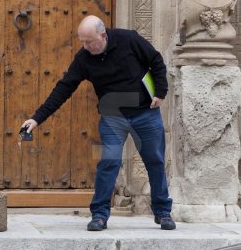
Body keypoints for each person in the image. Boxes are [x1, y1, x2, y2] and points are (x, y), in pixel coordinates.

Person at [21, 15, 175, 231]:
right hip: (113, 117)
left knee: (155, 161)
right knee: (108, 163)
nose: (84, 46)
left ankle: (163, 212)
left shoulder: (128, 40)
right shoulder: (84, 57)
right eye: (82, 41)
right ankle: (100, 214)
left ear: (103, 36)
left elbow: (156, 61)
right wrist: (37, 118)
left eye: (88, 41)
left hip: (145, 114)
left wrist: (161, 92)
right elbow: (64, 88)